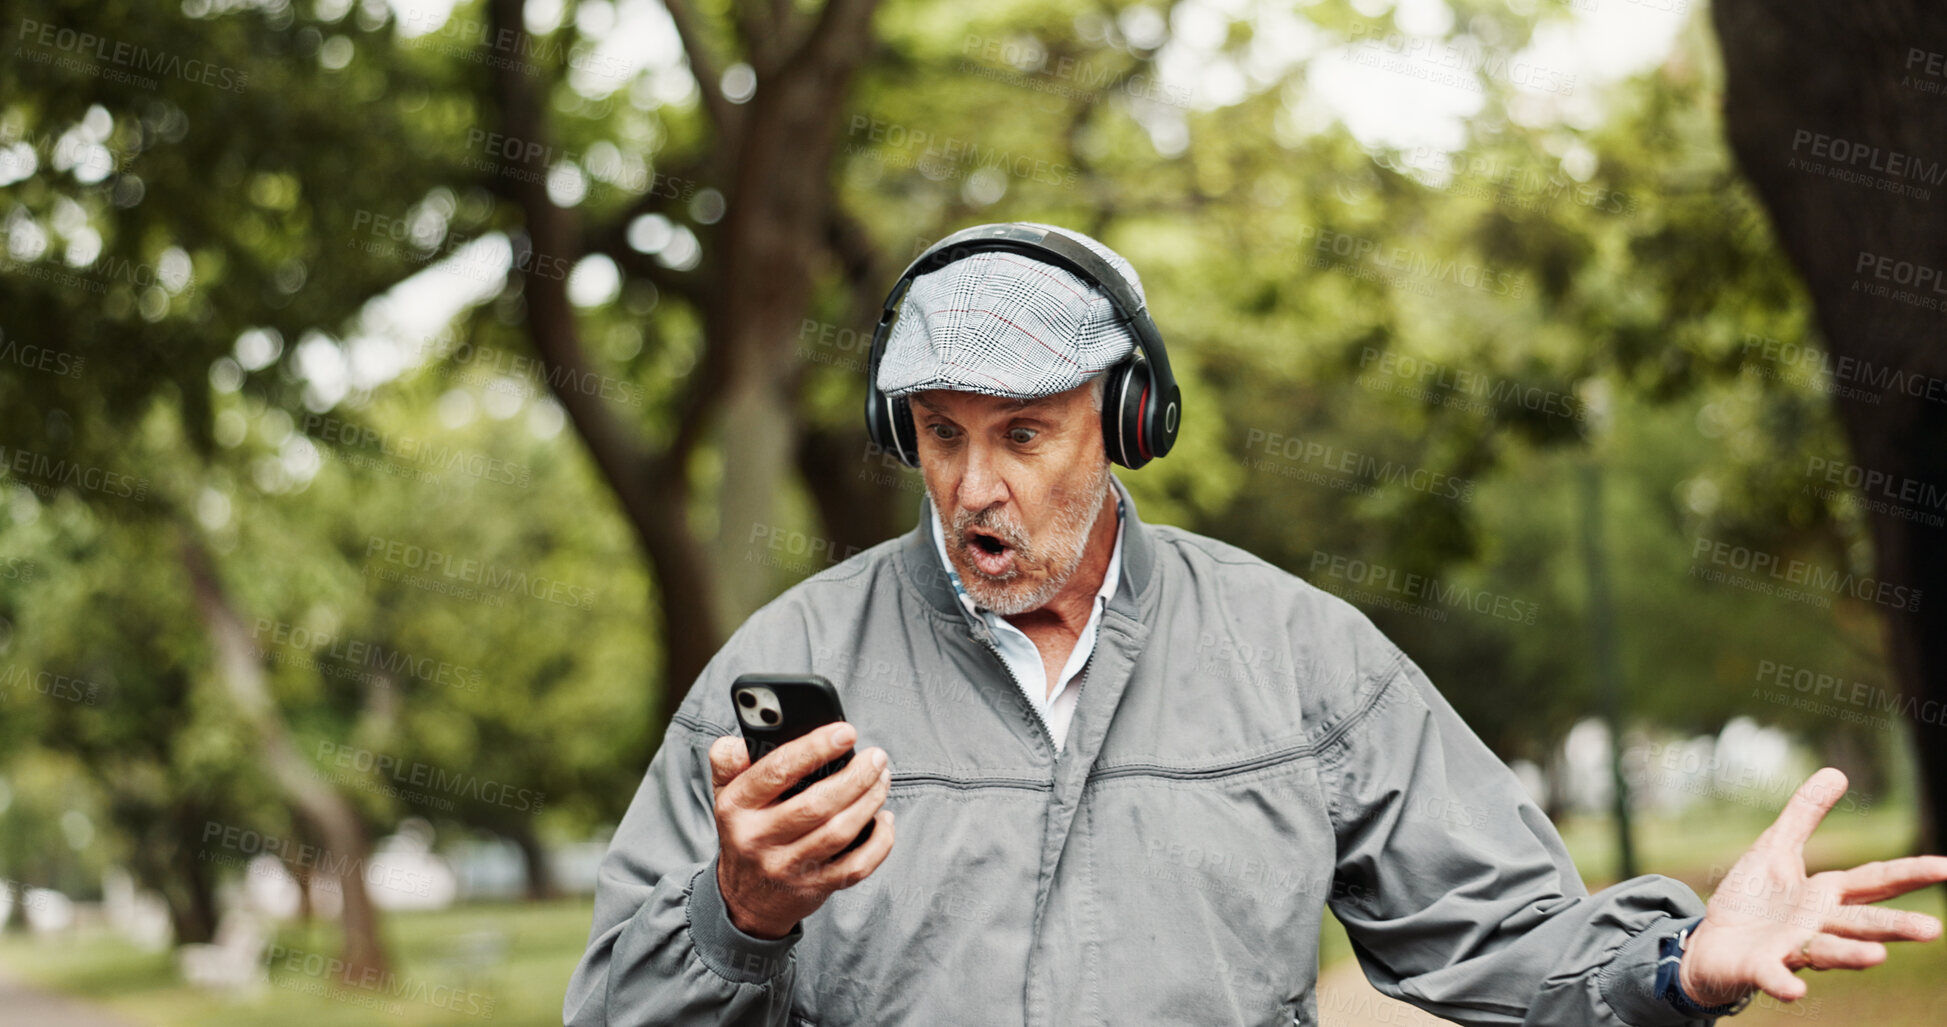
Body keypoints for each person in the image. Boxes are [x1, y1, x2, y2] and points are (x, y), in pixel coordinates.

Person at [563, 222, 1947, 1026]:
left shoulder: (1301, 657)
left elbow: (1513, 941)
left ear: (1130, 418)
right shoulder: (785, 670)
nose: (975, 487)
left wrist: (1679, 964)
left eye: (1026, 434)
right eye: (939, 434)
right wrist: (737, 917)